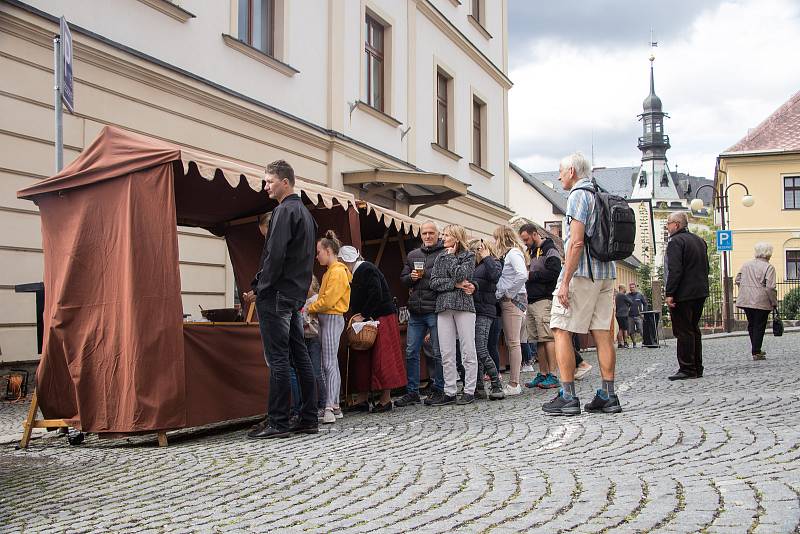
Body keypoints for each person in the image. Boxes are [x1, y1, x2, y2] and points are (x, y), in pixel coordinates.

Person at [543, 152, 621, 416]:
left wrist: (564, 281)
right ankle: (608, 395)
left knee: (560, 328)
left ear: (573, 171)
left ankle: (567, 396)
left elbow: (576, 242)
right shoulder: (601, 192)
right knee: (602, 333)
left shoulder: (578, 195)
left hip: (582, 273)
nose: (559, 176)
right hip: (606, 272)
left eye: (561, 171)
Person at [249, 160, 318, 438]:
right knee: (299, 356)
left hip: (277, 294)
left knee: (278, 359)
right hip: (293, 294)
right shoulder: (306, 215)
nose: (266, 186)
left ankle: (278, 421)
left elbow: (274, 255)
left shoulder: (283, 212)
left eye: (269, 181)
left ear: (285, 182)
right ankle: (308, 418)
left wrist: (261, 286)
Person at [338, 246, 406, 412]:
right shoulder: (354, 273)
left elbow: (376, 293)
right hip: (368, 319)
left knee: (384, 358)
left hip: (382, 317)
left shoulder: (367, 269)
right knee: (363, 358)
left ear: (345, 261)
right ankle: (362, 399)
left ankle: (386, 399)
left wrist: (365, 314)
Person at [395, 221, 447, 407]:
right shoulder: (413, 255)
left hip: (434, 309)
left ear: (437, 234)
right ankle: (412, 392)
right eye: (425, 233)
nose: (428, 236)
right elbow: (403, 278)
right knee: (411, 352)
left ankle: (439, 389)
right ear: (421, 235)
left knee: (437, 352)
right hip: (415, 311)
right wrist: (411, 278)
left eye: (431, 233)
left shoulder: (444, 253)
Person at [429, 224, 479, 405]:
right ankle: (449, 391)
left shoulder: (468, 256)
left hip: (464, 306)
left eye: (446, 235)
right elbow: (434, 283)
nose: (442, 237)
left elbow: (462, 275)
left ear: (456, 238)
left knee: (468, 350)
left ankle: (469, 390)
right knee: (446, 351)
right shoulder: (439, 256)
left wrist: (451, 259)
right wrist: (455, 285)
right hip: (443, 307)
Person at [307, 231, 351, 424]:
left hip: (332, 317)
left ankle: (329, 406)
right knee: (330, 363)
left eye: (318, 252)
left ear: (328, 250)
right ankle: (334, 405)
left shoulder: (337, 272)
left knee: (329, 364)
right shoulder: (331, 272)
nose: (317, 256)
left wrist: (311, 308)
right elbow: (327, 300)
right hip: (328, 317)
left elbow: (329, 300)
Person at [664, 211, 709, 380]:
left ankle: (687, 368)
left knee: (683, 331)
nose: (667, 227)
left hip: (683, 293)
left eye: (668, 224)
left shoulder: (675, 242)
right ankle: (697, 366)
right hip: (700, 291)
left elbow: (675, 270)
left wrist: (670, 293)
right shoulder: (699, 240)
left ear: (676, 224)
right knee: (693, 329)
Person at [519, 224, 561, 390]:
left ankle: (554, 374)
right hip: (532, 299)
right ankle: (543, 373)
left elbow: (554, 272)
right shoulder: (530, 252)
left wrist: (531, 275)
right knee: (537, 339)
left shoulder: (550, 249)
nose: (525, 243)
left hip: (544, 298)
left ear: (535, 234)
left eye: (527, 239)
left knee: (547, 338)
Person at [467, 238, 505, 400]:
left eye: (476, 250)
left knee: (481, 349)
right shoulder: (474, 265)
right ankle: (479, 387)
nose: (474, 252)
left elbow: (495, 276)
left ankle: (496, 384)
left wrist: (486, 257)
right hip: (473, 310)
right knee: (474, 352)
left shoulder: (493, 262)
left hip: (485, 311)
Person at [493, 225, 529, 396]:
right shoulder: (515, 252)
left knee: (513, 343)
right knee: (514, 343)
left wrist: (508, 292)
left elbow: (522, 275)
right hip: (515, 301)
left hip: (512, 301)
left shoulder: (513, 253)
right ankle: (514, 382)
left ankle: (514, 383)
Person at [735, 242, 778, 361]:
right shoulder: (769, 267)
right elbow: (770, 287)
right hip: (761, 300)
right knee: (759, 325)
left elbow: (737, 279)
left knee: (752, 324)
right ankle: (756, 351)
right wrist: (774, 302)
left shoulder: (746, 265)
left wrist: (746, 289)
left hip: (746, 299)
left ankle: (756, 348)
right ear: (768, 253)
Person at [296, 276, 326, 423]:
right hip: (306, 338)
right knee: (311, 371)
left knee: (316, 371)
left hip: (313, 338)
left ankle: (323, 402)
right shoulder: (305, 301)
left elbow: (312, 320)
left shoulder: (315, 300)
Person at [627, 282, 648, 347]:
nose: (632, 289)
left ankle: (644, 342)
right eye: (630, 287)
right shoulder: (627, 296)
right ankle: (634, 343)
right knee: (631, 331)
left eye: (633, 287)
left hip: (639, 315)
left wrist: (644, 313)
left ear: (635, 287)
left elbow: (645, 304)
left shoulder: (640, 295)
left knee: (641, 329)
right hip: (630, 316)